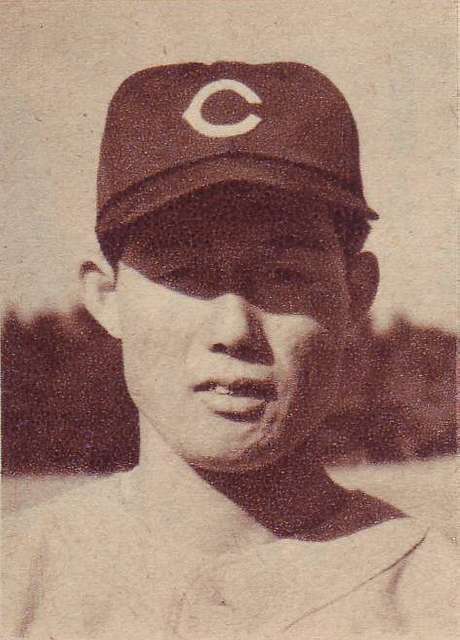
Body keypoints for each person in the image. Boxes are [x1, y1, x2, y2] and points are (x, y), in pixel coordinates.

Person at [2, 62, 455, 639]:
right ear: (107, 297)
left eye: (283, 274)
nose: (233, 328)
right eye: (184, 273)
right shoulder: (18, 582)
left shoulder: (437, 600)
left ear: (356, 293)